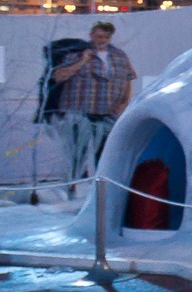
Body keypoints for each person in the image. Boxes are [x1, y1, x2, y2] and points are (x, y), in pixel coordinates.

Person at [49, 21, 138, 177]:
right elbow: (58, 76)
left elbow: (128, 78)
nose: (101, 40)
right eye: (98, 36)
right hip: (78, 112)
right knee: (77, 154)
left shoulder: (119, 55)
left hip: (106, 113)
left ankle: (101, 187)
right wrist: (83, 61)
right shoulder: (76, 53)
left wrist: (124, 102)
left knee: (105, 153)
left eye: (105, 37)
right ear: (91, 36)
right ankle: (74, 187)